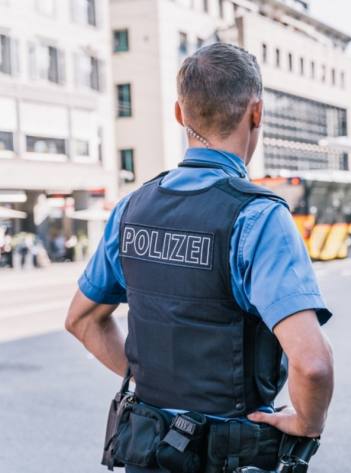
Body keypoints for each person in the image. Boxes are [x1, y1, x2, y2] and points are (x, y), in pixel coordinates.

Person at [65, 43, 334, 472]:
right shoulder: (258, 216)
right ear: (257, 112)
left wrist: (152, 385)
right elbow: (313, 364)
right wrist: (306, 422)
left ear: (179, 114)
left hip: (148, 447)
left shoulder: (131, 208)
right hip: (230, 454)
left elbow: (81, 320)